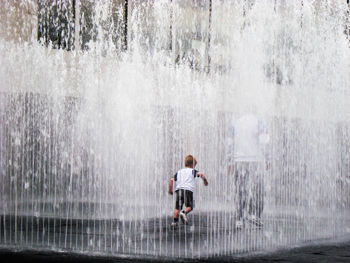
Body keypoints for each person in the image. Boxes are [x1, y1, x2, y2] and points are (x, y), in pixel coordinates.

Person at [226, 113, 270, 229]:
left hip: (239, 160)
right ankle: (254, 214)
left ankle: (239, 219)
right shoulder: (259, 122)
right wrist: (267, 158)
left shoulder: (235, 123)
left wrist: (230, 161)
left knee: (240, 189)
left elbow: (229, 143)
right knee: (259, 189)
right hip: (256, 161)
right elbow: (264, 142)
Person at [168, 155, 208, 227]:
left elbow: (171, 180)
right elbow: (200, 174)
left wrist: (170, 190)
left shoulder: (179, 172)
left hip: (179, 190)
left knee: (177, 208)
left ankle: (174, 222)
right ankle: (184, 212)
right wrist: (205, 181)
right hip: (188, 190)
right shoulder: (192, 171)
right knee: (190, 206)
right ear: (192, 164)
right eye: (194, 165)